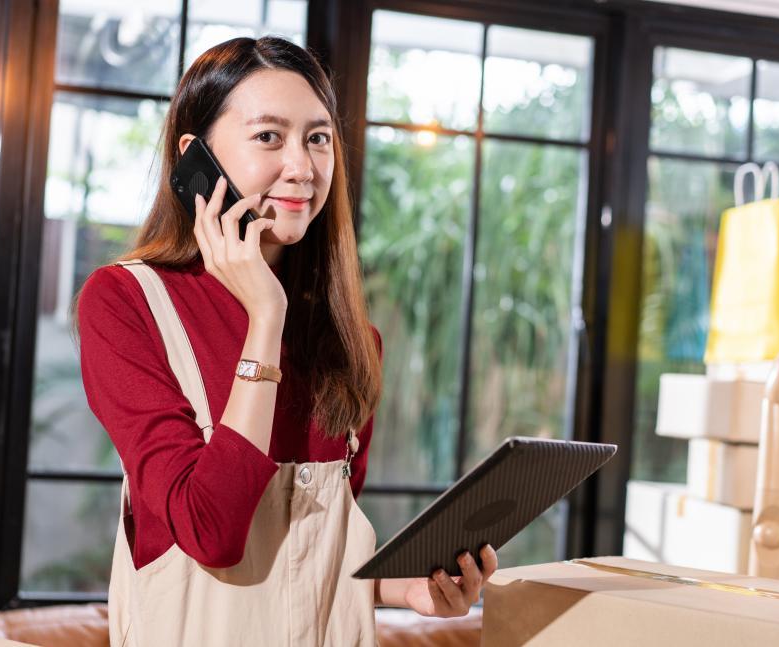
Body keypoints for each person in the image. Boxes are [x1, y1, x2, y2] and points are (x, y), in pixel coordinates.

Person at [74, 36, 498, 646]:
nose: (302, 166)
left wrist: (409, 589)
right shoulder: (125, 302)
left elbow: (310, 553)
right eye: (269, 137)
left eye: (318, 138)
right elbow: (212, 532)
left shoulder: (353, 339)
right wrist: (264, 318)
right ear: (196, 158)